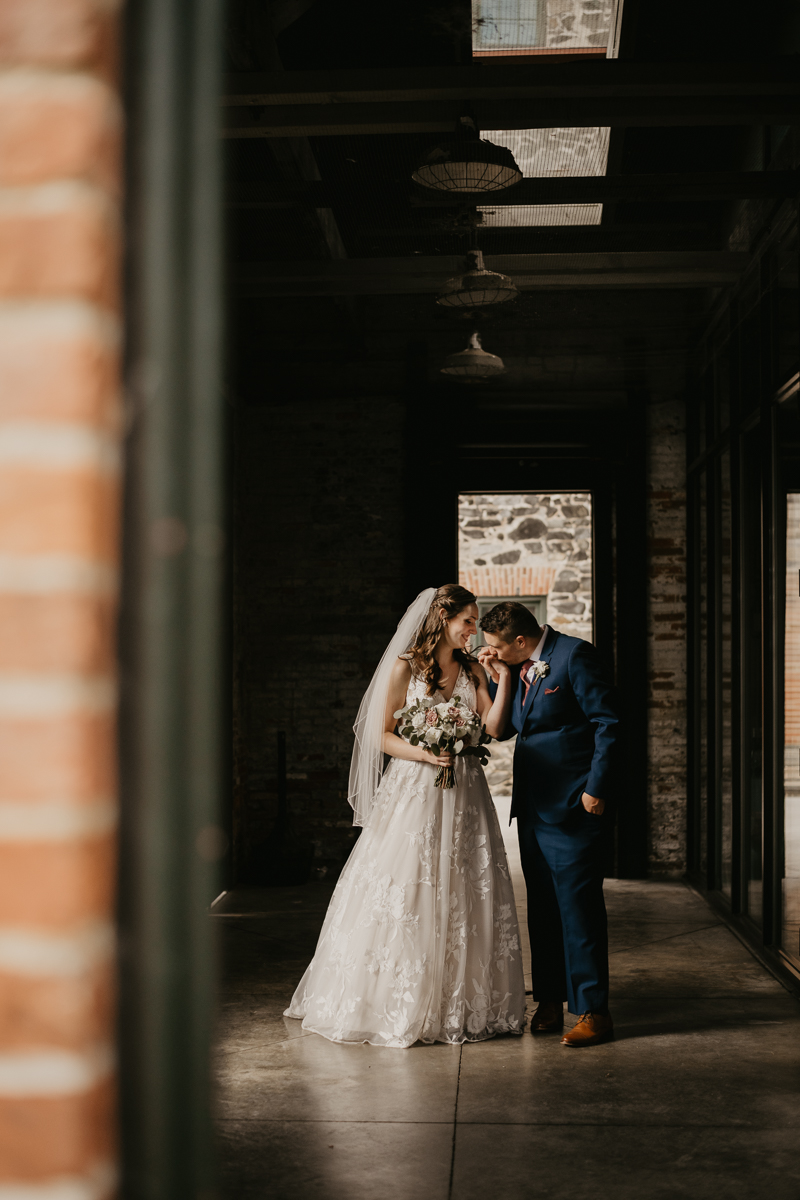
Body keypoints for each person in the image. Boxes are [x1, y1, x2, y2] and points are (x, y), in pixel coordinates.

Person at [284, 584, 526, 1048]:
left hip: (465, 794)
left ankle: (458, 998)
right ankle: (397, 1000)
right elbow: (380, 735)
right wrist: (424, 752)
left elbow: (494, 728)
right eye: (468, 621)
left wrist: (501, 678)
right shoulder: (406, 666)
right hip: (415, 788)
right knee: (406, 884)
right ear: (443, 615)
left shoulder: (474, 667)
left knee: (464, 885)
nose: (473, 630)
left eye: (476, 622)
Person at [478, 602, 620, 1048]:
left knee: (578, 909)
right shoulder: (518, 667)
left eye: (497, 646)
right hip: (534, 808)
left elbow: (609, 723)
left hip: (574, 806)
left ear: (521, 641)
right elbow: (508, 730)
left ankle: (594, 1011)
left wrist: (595, 789)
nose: (491, 652)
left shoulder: (575, 656)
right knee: (541, 908)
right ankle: (551, 1001)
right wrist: (499, 675)